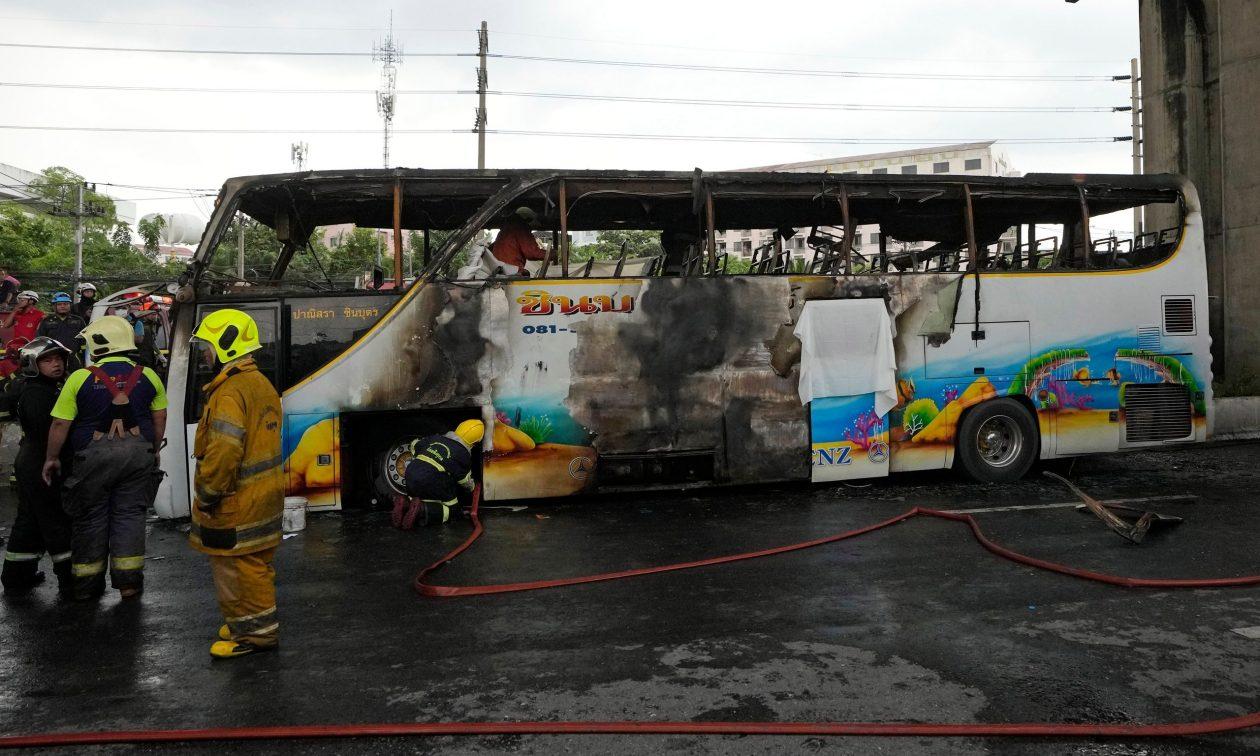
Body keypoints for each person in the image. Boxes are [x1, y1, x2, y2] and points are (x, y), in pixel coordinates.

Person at [43, 315, 167, 601]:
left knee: (90, 518)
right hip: (138, 458)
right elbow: (159, 417)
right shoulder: (148, 374)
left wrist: (51, 457)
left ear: (98, 345)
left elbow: (60, 424)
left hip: (92, 461)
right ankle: (129, 585)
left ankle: (88, 587)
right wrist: (155, 449)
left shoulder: (79, 377)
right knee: (130, 517)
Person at [188, 308, 284, 659]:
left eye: (208, 347)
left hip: (235, 502)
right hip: (262, 497)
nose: (205, 355)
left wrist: (208, 493)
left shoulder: (229, 392)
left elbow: (224, 451)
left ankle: (255, 636)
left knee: (236, 569)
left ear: (226, 345)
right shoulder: (258, 383)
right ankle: (247, 621)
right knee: (256, 564)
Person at [1, 338, 74, 597]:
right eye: (47, 360)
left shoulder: (44, 388)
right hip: (41, 462)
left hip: (33, 461)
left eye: (58, 359)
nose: (56, 364)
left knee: (29, 520)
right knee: (55, 519)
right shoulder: (38, 394)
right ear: (33, 364)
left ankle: (16, 576)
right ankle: (70, 579)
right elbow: (50, 431)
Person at [398, 419, 483, 527]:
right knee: (453, 511)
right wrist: (472, 487)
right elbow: (464, 480)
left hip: (411, 472)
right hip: (432, 479)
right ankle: (421, 511)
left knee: (420, 495)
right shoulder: (464, 456)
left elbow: (415, 444)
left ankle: (406, 504)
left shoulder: (436, 438)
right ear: (474, 443)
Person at [488, 207, 546, 274]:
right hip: (511, 270)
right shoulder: (521, 229)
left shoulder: (505, 230)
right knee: (526, 274)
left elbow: (491, 249)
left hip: (499, 270)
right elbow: (532, 253)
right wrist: (551, 254)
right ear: (528, 219)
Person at [36, 292, 86, 361]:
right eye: (59, 304)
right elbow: (40, 340)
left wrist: (84, 356)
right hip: (53, 358)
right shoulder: (46, 321)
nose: (63, 306)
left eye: (65, 304)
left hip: (74, 358)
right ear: (54, 306)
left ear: (70, 305)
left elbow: (84, 341)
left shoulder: (79, 320)